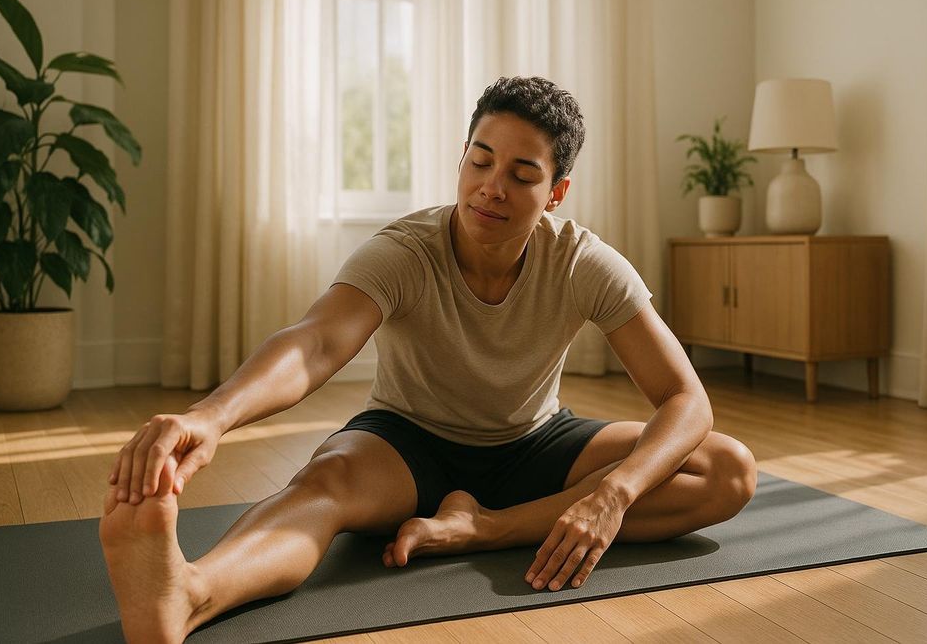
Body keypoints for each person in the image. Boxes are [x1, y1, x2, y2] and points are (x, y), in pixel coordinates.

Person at [100, 76, 758, 643]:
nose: (491, 188)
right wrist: (211, 417)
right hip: (409, 444)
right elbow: (317, 341)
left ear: (556, 192)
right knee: (321, 483)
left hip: (535, 440)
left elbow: (686, 400)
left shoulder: (584, 261)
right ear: (463, 158)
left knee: (727, 469)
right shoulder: (405, 249)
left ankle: (488, 527)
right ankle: (190, 592)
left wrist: (616, 491)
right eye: (480, 161)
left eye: (522, 174)